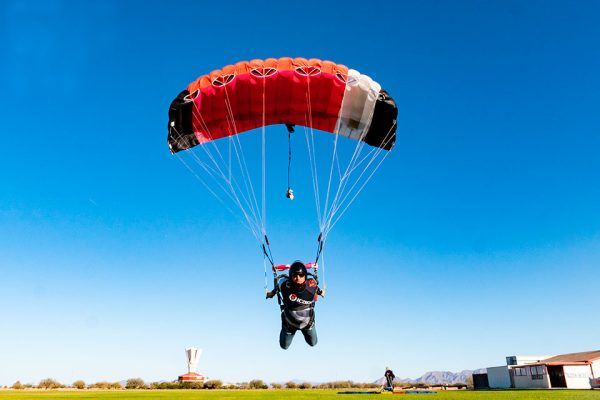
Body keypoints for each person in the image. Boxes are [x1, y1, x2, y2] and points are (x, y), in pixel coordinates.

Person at [266, 260, 325, 349]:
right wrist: (270, 294)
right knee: (284, 346)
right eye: (295, 275)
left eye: (301, 275)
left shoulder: (311, 285)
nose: (298, 278)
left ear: (305, 276)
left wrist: (322, 293)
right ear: (291, 276)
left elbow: (319, 291)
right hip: (289, 324)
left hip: (307, 324)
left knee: (313, 343)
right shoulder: (284, 285)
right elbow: (276, 289)